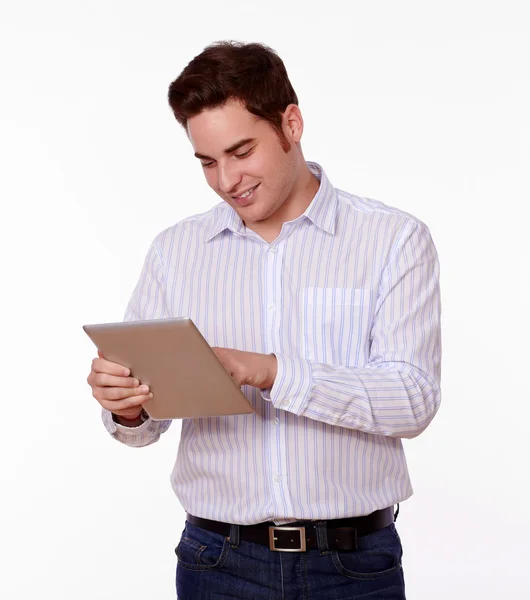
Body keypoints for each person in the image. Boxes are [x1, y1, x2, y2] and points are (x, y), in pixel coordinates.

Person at [87, 40, 441, 600]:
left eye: (242, 151)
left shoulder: (393, 240)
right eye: (208, 161)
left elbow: (413, 400)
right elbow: (144, 429)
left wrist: (273, 372)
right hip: (217, 563)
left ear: (291, 124)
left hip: (354, 569)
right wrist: (128, 407)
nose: (227, 179)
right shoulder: (177, 252)